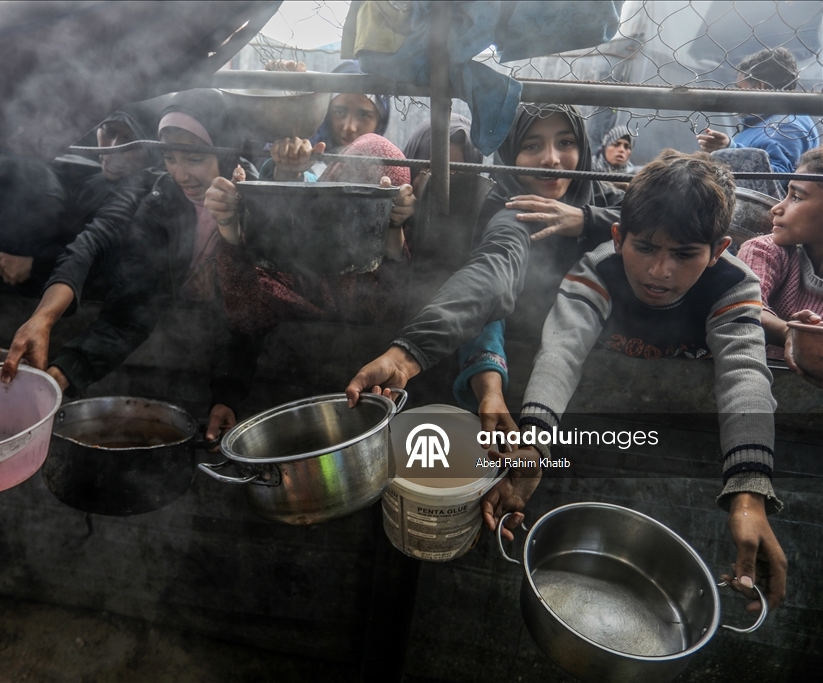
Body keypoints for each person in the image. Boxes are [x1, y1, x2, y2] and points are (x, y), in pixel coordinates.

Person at [505, 150, 785, 614]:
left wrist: (749, 491)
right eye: (646, 248)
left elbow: (744, 376)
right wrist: (534, 443)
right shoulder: (598, 269)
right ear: (618, 237)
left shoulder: (733, 286)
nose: (660, 272)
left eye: (684, 254)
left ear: (718, 252)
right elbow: (562, 352)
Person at [2, 89, 260, 442]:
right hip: (171, 357)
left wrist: (228, 395)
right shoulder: (158, 200)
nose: (180, 174)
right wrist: (60, 358)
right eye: (170, 157)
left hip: (241, 373)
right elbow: (128, 298)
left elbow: (248, 310)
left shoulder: (259, 201)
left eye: (194, 158)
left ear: (226, 149)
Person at [345, 104, 623, 420]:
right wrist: (406, 355)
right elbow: (491, 275)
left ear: (583, 148)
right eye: (532, 145)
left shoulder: (602, 196)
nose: (551, 158)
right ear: (510, 154)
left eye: (565, 142)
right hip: (526, 367)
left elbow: (662, 217)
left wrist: (587, 219)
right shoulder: (512, 211)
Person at [0, 104, 158, 367]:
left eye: (128, 139)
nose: (113, 148)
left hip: (69, 323)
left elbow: (93, 249)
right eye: (108, 131)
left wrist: (38, 265)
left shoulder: (109, 188)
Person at [207, 132, 415, 340]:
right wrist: (228, 225)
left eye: (370, 208)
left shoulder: (379, 262)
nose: (353, 217)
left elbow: (390, 314)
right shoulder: (290, 248)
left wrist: (392, 229)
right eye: (346, 200)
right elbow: (249, 314)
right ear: (331, 182)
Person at [737, 148, 823, 386]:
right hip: (760, 383)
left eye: (796, 197)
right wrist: (790, 332)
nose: (777, 208)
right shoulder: (764, 250)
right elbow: (745, 307)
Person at [261, 60, 390, 181]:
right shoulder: (303, 152)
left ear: (380, 121)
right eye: (339, 112)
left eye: (363, 115)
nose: (349, 127)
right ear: (326, 112)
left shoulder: (389, 167)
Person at [697, 47, 819, 176]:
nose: (734, 94)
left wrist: (730, 150)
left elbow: (777, 180)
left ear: (759, 87)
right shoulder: (764, 122)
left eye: (740, 88)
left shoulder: (785, 127)